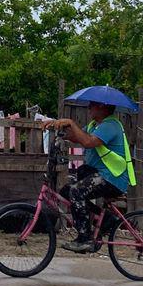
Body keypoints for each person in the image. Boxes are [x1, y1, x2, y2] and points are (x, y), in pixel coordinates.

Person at [42, 102, 137, 252]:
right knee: (66, 191)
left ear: (102, 107)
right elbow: (77, 137)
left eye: (92, 105)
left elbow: (87, 142)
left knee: (76, 192)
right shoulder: (95, 125)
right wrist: (56, 125)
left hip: (112, 178)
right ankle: (106, 219)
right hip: (99, 174)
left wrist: (72, 122)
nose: (89, 107)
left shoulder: (111, 126)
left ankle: (85, 238)